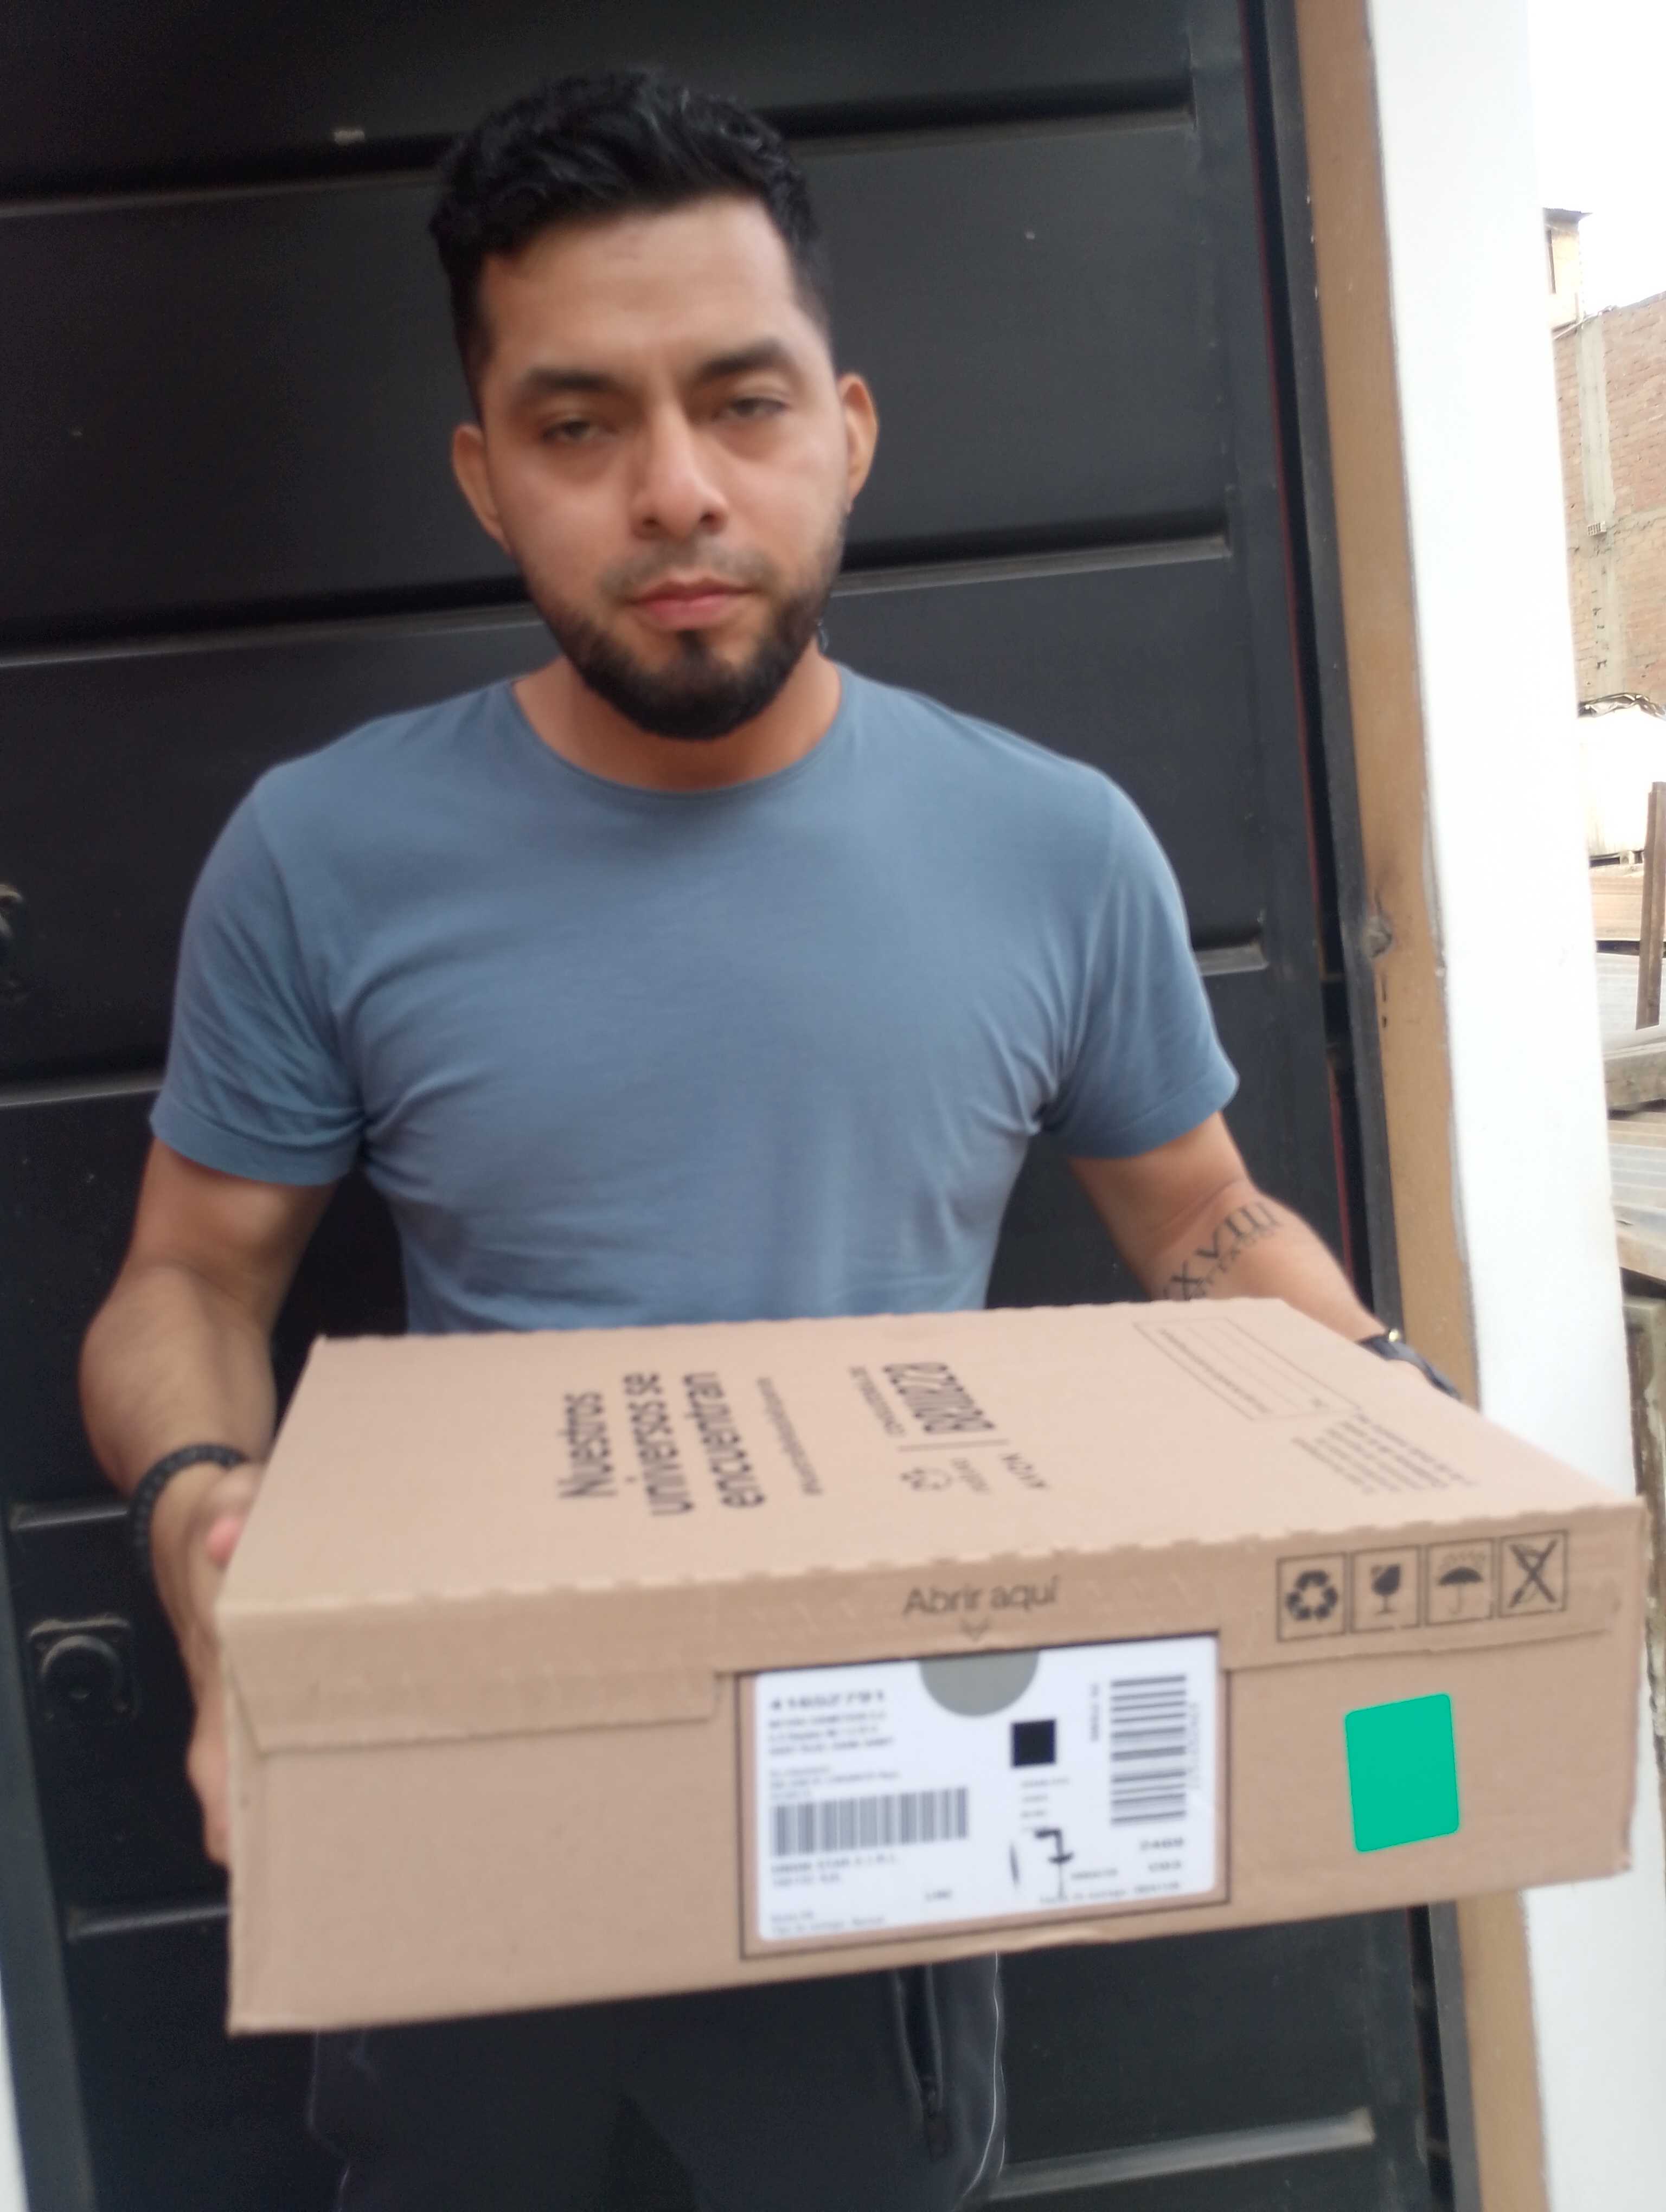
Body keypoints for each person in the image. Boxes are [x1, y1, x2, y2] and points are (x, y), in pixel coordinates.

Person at [80, 68, 1450, 2212]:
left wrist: (1389, 1414)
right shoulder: (322, 855)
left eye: (744, 404)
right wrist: (202, 1531)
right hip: (472, 1793)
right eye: (579, 426)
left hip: (891, 1806)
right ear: (483, 473)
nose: (677, 491)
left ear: (850, 430)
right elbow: (187, 1278)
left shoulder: (1051, 844)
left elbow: (1200, 1215)